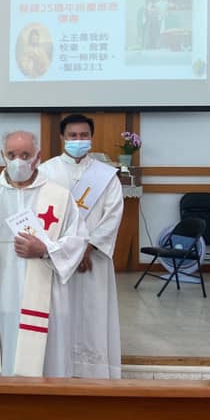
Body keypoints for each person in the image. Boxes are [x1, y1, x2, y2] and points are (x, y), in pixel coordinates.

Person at [0, 131, 88, 379]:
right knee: (3, 356)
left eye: (25, 155)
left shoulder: (58, 196)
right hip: (0, 295)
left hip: (46, 297)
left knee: (45, 360)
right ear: (2, 156)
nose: (18, 161)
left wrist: (45, 250)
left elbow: (78, 240)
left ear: (38, 157)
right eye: (11, 155)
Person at [38, 114, 122, 379]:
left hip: (93, 259)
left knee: (92, 312)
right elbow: (40, 214)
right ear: (62, 138)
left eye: (84, 135)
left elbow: (113, 214)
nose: (78, 140)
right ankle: (58, 366)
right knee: (60, 312)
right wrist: (67, 252)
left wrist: (87, 248)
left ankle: (93, 370)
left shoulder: (106, 176)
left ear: (91, 138)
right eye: (72, 136)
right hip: (58, 258)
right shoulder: (46, 172)